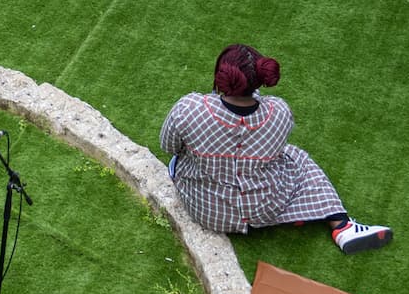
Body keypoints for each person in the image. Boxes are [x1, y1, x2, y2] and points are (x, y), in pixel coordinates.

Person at [161, 44, 392, 254]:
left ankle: (313, 216)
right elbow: (276, 146)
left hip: (205, 210)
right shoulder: (279, 111)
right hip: (264, 208)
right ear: (259, 80)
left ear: (222, 76)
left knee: (178, 159)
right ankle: (342, 226)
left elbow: (168, 146)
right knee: (296, 157)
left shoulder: (189, 108)